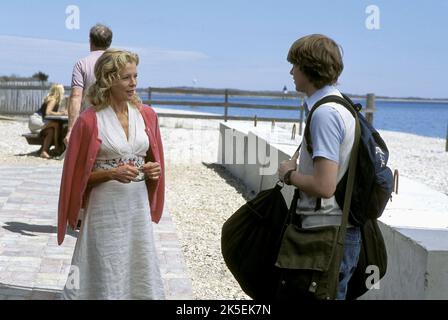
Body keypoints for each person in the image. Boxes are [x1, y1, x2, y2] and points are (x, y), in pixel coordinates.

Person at [57, 49, 166, 299]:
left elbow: (153, 160)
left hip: (136, 204)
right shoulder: (88, 120)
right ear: (109, 79)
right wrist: (111, 173)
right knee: (104, 257)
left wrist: (153, 171)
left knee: (138, 256)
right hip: (104, 207)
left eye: (136, 76)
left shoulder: (147, 115)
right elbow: (76, 177)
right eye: (127, 78)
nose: (134, 83)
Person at [277, 34, 358, 300]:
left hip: (325, 235)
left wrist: (289, 174)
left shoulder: (325, 114)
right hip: (339, 231)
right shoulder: (342, 106)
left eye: (295, 65)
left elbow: (325, 186)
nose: (291, 71)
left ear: (309, 67)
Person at [64, 23, 113, 145]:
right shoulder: (116, 63)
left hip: (89, 121)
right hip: (114, 121)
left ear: (90, 41)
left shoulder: (81, 64)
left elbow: (76, 96)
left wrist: (71, 129)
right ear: (109, 43)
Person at [29, 84, 68, 158]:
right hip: (37, 120)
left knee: (51, 131)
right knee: (56, 125)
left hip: (34, 121)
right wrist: (61, 113)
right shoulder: (53, 99)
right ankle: (57, 147)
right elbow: (48, 112)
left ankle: (44, 151)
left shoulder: (52, 99)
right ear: (59, 92)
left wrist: (61, 112)